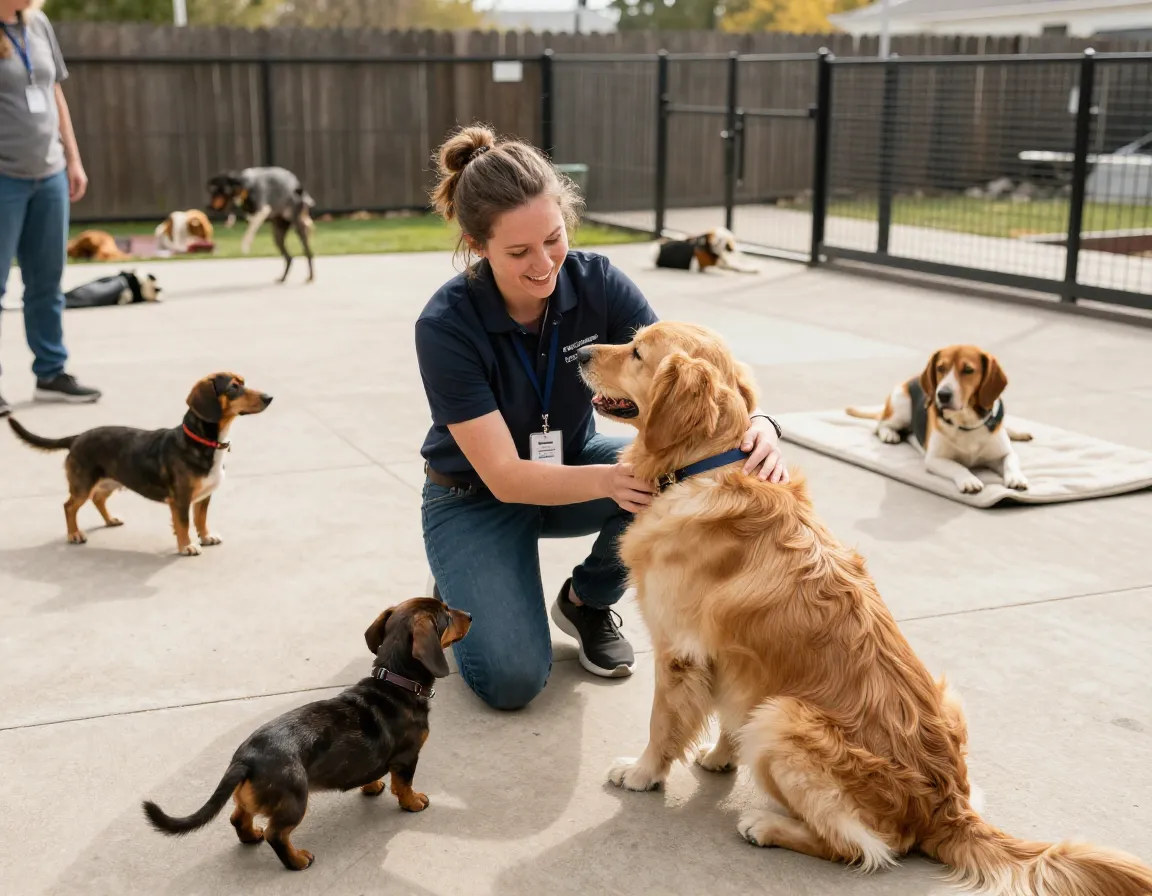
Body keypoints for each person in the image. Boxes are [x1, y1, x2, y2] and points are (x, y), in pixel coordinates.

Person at [414, 124, 789, 712]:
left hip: (572, 466)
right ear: (477, 245)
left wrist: (760, 421)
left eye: (553, 239)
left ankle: (586, 601)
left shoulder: (599, 283)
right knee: (512, 681)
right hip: (474, 494)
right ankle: (464, 574)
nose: (544, 265)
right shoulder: (445, 326)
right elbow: (506, 477)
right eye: (518, 252)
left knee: (685, 479)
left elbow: (689, 366)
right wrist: (610, 480)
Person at [0, 0, 100, 418]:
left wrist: (72, 158)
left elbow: (54, 91)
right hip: (4, 178)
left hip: (50, 174)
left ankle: (51, 372)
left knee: (47, 281)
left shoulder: (37, 23)